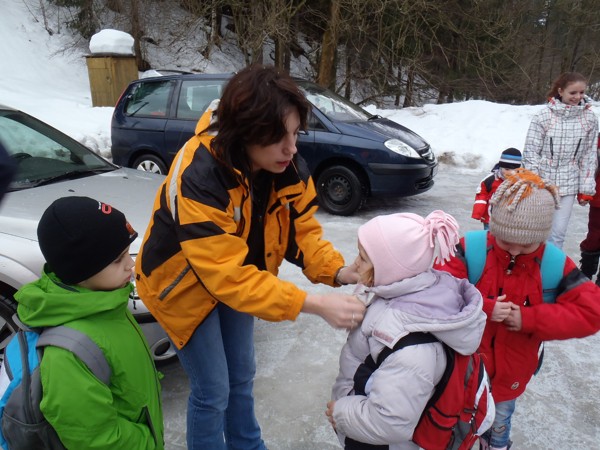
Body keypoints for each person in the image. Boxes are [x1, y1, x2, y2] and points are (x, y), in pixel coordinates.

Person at [134, 65, 365, 450]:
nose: (291, 149)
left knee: (241, 375)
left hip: (243, 277)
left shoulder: (285, 166)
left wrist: (338, 271)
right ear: (246, 131)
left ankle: (248, 445)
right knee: (213, 390)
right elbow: (223, 274)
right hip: (184, 287)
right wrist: (312, 303)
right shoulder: (200, 173)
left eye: (294, 134)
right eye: (279, 137)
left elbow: (301, 229)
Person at [435, 169, 600, 450]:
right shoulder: (471, 249)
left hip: (509, 377)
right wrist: (484, 307)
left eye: (524, 245)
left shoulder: (553, 264)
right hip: (459, 367)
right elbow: (437, 291)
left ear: (541, 237)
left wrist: (527, 318)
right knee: (452, 423)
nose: (513, 251)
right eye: (505, 241)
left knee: (498, 424)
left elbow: (591, 311)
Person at [326, 211, 486, 449]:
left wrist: (340, 412)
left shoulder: (412, 350)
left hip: (380, 440)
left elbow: (390, 423)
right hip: (361, 405)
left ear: (390, 269)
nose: (355, 264)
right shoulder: (402, 287)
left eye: (363, 258)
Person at [13, 196, 164, 449]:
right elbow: (94, 439)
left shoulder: (106, 302)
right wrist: (147, 441)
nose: (131, 264)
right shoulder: (68, 354)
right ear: (81, 272)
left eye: (128, 253)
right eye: (118, 260)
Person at [523, 71, 599, 249]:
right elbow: (531, 151)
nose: (577, 97)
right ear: (561, 91)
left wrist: (586, 186)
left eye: (581, 92)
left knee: (557, 233)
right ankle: (531, 269)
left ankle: (550, 271)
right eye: (573, 93)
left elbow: (588, 155)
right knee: (537, 231)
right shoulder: (544, 116)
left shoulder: (589, 119)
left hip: (569, 183)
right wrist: (533, 180)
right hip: (543, 182)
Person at [472, 147, 522, 229]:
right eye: (507, 169)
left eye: (514, 170)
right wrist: (478, 212)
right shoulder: (491, 180)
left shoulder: (521, 181)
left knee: (506, 239)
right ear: (500, 167)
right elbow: (481, 194)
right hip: (490, 218)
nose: (510, 172)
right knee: (489, 237)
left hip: (510, 219)